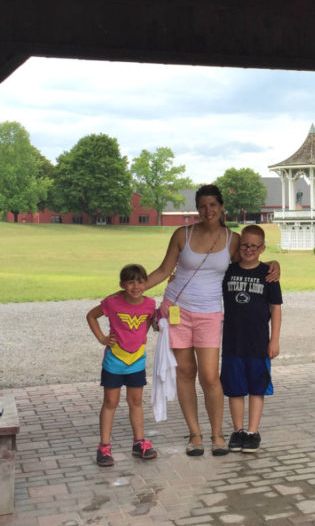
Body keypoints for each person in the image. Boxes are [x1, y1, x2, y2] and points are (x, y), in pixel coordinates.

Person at [144, 185, 279, 457]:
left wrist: (276, 264)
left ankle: (218, 434)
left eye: (213, 206)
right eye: (203, 206)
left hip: (209, 313)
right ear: (197, 207)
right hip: (177, 310)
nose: (208, 211)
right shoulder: (182, 234)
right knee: (184, 372)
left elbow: (253, 259)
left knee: (209, 376)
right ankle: (195, 434)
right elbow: (163, 270)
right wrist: (134, 290)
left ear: (221, 207)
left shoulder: (233, 239)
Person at [86, 263, 159, 466]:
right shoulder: (112, 302)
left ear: (146, 283)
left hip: (137, 360)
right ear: (122, 284)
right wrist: (102, 338)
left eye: (141, 281)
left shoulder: (149, 304)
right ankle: (104, 447)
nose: (136, 286)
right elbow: (91, 316)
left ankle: (139, 442)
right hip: (115, 360)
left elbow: (148, 322)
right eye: (131, 282)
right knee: (110, 402)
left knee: (136, 402)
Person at [220, 224, 282, 454]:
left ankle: (252, 432)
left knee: (257, 388)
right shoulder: (227, 272)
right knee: (235, 388)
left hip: (258, 342)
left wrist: (274, 340)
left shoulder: (268, 275)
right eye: (245, 245)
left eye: (254, 246)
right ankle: (238, 431)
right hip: (232, 341)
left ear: (262, 248)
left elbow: (276, 308)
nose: (248, 249)